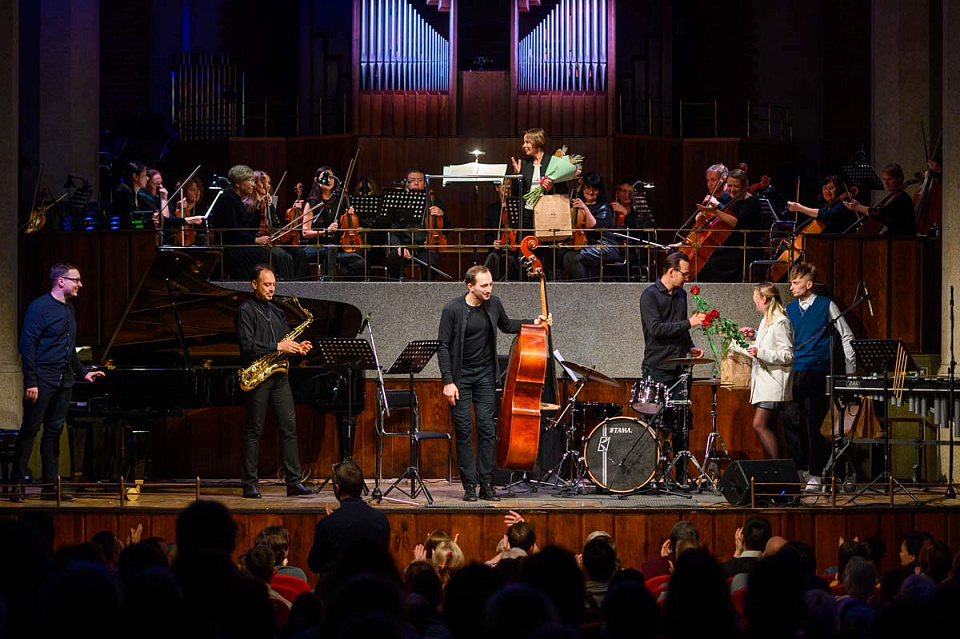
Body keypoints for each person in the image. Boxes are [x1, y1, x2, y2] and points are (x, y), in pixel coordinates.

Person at [437, 265, 552, 501]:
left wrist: (535, 322)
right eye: (484, 286)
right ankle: (470, 485)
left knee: (487, 429)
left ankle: (486, 484)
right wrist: (448, 381)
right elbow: (443, 347)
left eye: (490, 284)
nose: (489, 289)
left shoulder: (494, 303)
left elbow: (507, 325)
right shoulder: (452, 309)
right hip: (460, 378)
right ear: (470, 286)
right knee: (465, 431)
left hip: (485, 376)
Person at [11, 263, 105, 502]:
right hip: (42, 379)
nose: (80, 285)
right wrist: (31, 381)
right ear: (61, 281)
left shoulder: (69, 309)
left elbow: (69, 349)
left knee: (53, 432)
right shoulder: (39, 308)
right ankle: (17, 484)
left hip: (65, 381)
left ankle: (51, 487)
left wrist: (83, 372)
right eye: (76, 280)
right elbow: (27, 346)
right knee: (31, 430)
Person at [234, 264, 315, 499]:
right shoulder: (245, 310)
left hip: (279, 375)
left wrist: (297, 347)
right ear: (254, 285)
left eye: (273, 285)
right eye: (267, 285)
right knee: (254, 431)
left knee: (289, 429)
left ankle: (294, 482)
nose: (271, 289)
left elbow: (284, 341)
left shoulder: (278, 312)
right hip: (258, 376)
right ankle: (249, 484)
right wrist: (277, 346)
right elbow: (247, 346)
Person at [783, 262, 856, 491]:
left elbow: (846, 335)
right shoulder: (789, 309)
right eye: (791, 282)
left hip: (817, 371)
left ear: (809, 284)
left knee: (815, 423)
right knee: (791, 421)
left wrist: (851, 371)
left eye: (796, 282)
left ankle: (816, 473)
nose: (792, 286)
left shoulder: (826, 305)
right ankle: (800, 468)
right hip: (794, 372)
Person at [731, 282, 794, 459]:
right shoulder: (767, 320)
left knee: (759, 424)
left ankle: (778, 469)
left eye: (756, 300)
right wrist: (754, 335)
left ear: (764, 299)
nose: (756, 304)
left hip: (773, 384)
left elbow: (787, 355)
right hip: (765, 384)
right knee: (771, 427)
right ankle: (780, 471)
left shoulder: (780, 320)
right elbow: (767, 343)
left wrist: (761, 352)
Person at [211, 164, 296, 280]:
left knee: (285, 256)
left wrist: (258, 209)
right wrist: (256, 240)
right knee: (277, 255)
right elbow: (232, 231)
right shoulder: (227, 199)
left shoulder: (236, 200)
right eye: (249, 181)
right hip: (233, 249)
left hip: (242, 246)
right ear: (237, 183)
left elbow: (247, 227)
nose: (253, 184)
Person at [307, 460, 390, 576]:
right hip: (372, 590)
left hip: (337, 590)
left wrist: (333, 523)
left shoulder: (327, 524)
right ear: (361, 488)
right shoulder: (381, 520)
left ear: (337, 488)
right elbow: (381, 560)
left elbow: (315, 565)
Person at [694, 167, 766, 282]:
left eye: (736, 186)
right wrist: (703, 221)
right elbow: (719, 223)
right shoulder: (729, 200)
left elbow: (737, 223)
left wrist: (715, 211)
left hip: (745, 249)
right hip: (729, 247)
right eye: (730, 186)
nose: (732, 190)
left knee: (712, 265)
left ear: (745, 185)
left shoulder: (752, 202)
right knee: (704, 260)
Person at [385, 169, 451, 281]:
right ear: (407, 183)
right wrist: (398, 247)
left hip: (427, 247)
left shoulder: (435, 201)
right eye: (412, 180)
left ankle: (425, 290)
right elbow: (393, 232)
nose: (416, 183)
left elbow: (447, 229)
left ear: (425, 183)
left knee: (432, 264)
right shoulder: (399, 202)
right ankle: (400, 287)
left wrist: (442, 215)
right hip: (404, 245)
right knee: (393, 260)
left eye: (420, 180)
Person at [301, 166, 366, 279]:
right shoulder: (312, 203)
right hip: (317, 247)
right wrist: (326, 231)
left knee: (359, 262)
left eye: (331, 177)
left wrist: (350, 216)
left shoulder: (341, 200)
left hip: (338, 246)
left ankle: (347, 291)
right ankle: (329, 285)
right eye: (326, 177)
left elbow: (350, 226)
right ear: (317, 180)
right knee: (331, 248)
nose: (329, 180)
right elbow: (305, 232)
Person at [248, 171, 310, 279]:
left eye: (269, 182)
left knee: (299, 253)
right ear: (254, 184)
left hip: (273, 241)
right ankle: (286, 286)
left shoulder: (272, 203)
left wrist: (271, 208)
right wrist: (260, 207)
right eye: (262, 181)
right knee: (282, 255)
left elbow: (278, 225)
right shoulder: (249, 204)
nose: (266, 185)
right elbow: (250, 226)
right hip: (258, 241)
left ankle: (301, 286)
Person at [843, 162, 917, 236]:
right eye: (884, 179)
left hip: (903, 243)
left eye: (890, 179)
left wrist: (858, 207)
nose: (886, 183)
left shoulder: (902, 199)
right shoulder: (894, 197)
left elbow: (880, 214)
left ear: (899, 179)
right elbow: (894, 226)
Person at [574, 171, 619, 280]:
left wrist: (585, 208)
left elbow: (595, 229)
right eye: (588, 188)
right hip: (587, 245)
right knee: (563, 256)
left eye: (595, 189)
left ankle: (584, 289)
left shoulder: (604, 207)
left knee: (575, 258)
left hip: (605, 246)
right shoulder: (577, 206)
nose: (591, 192)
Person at [785, 174, 858, 234]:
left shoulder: (844, 204)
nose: (827, 191)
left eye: (831, 188)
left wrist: (799, 208)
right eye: (825, 188)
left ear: (839, 189)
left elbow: (826, 214)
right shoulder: (828, 206)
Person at [158, 176, 206, 245]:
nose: (196, 193)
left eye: (198, 189)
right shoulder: (174, 207)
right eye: (192, 190)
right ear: (184, 192)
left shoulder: (202, 209)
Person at [112, 161, 149, 228]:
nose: (147, 178)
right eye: (145, 175)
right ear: (135, 177)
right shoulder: (123, 193)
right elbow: (126, 220)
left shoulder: (138, 194)